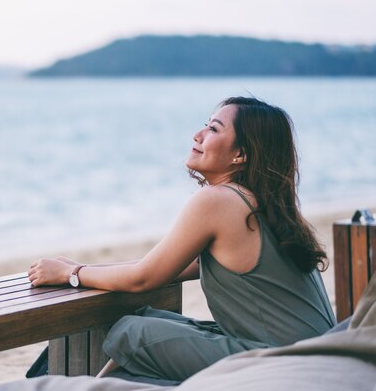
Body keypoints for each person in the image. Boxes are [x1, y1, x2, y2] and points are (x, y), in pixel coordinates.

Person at [27, 96, 336, 384]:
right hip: (321, 359)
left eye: (213, 129)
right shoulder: (266, 204)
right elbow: (162, 267)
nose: (197, 135)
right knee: (147, 320)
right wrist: (83, 268)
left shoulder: (219, 200)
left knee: (131, 331)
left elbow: (142, 279)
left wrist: (71, 275)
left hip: (283, 366)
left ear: (240, 154)